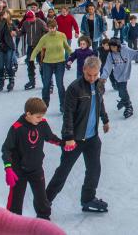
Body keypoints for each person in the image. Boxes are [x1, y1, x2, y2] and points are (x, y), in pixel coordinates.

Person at [46, 56, 110, 213]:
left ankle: (88, 199)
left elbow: (100, 102)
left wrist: (105, 119)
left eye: (95, 75)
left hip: (92, 137)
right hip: (74, 139)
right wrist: (68, 138)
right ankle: (45, 201)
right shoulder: (75, 88)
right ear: (84, 70)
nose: (92, 78)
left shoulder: (99, 84)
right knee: (63, 171)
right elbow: (67, 114)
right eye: (89, 75)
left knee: (94, 170)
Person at [2, 97, 63, 220]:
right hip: (18, 172)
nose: (41, 119)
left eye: (42, 116)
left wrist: (63, 143)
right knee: (15, 201)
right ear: (28, 114)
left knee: (42, 199)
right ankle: (12, 223)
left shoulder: (42, 124)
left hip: (36, 169)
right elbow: (6, 149)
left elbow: (50, 137)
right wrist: (8, 168)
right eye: (38, 117)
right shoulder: (17, 128)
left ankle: (44, 219)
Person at [100, 37, 138, 117]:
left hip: (125, 75)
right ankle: (124, 100)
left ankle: (129, 106)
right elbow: (107, 66)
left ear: (118, 46)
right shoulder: (111, 54)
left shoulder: (126, 50)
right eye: (111, 47)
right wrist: (103, 77)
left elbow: (135, 54)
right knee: (120, 91)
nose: (113, 49)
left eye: (114, 47)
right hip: (117, 76)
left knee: (122, 91)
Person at [30, 20, 72, 111]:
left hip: (60, 62)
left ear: (56, 27)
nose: (52, 30)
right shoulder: (44, 37)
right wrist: (32, 58)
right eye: (50, 28)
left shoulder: (61, 35)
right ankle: (44, 104)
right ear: (47, 28)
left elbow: (66, 47)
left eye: (53, 28)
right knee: (46, 84)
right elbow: (37, 48)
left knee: (59, 84)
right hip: (47, 63)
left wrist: (73, 55)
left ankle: (63, 105)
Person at [20, 11, 48, 91]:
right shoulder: (25, 23)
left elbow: (47, 31)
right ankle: (32, 81)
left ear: (35, 16)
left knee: (42, 64)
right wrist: (16, 33)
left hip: (39, 47)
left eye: (32, 19)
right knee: (30, 64)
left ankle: (46, 82)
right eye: (29, 19)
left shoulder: (40, 22)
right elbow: (22, 32)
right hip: (30, 46)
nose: (31, 20)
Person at [0, 10, 18, 93]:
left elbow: (18, 32)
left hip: (9, 47)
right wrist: (4, 20)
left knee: (8, 65)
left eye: (4, 15)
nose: (3, 17)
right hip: (2, 47)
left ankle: (11, 81)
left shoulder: (11, 24)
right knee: (1, 66)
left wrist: (15, 33)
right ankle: (1, 82)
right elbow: (0, 30)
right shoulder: (0, 25)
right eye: (2, 16)